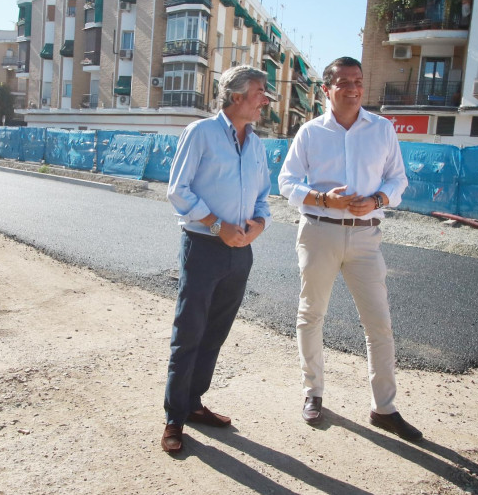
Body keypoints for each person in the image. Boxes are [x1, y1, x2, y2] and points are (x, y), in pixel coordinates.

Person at [277, 56, 422, 442]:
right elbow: (286, 182)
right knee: (311, 315)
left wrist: (377, 200)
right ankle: (313, 393)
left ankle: (384, 408)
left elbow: (398, 179)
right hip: (319, 231)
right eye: (343, 82)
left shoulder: (382, 129)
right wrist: (324, 199)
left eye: (358, 81)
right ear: (327, 89)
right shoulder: (309, 132)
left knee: (379, 323)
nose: (353, 88)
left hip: (366, 237)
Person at [161, 65, 272, 454]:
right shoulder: (201, 133)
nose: (266, 99)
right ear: (237, 95)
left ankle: (193, 404)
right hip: (203, 247)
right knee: (189, 332)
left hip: (241, 251)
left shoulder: (256, 144)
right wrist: (216, 224)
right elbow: (178, 189)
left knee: (215, 333)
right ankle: (174, 419)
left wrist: (258, 223)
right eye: (260, 91)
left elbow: (263, 195)